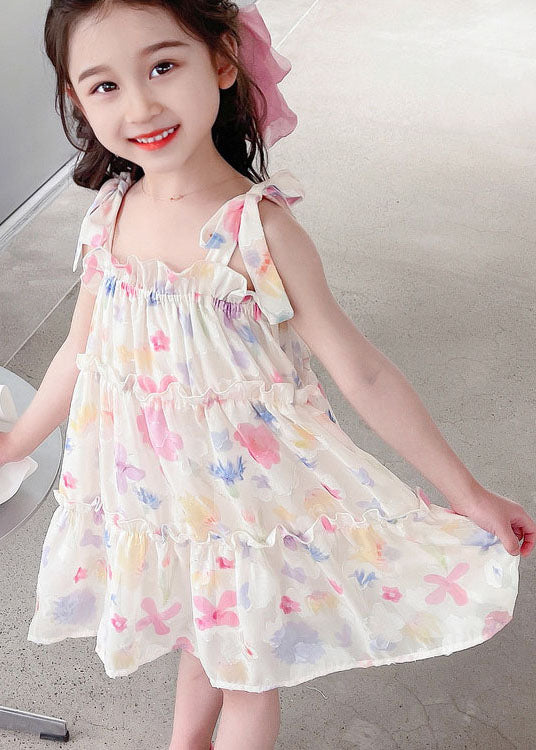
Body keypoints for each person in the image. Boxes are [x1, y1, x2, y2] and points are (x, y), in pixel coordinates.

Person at [1, 1, 534, 749]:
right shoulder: (109, 216)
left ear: (222, 61)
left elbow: (362, 373)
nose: (141, 105)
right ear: (77, 101)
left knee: (247, 674)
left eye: (162, 66)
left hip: (252, 507)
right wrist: (14, 442)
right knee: (201, 633)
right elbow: (77, 354)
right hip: (164, 492)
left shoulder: (258, 232)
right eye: (105, 85)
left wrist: (467, 493)